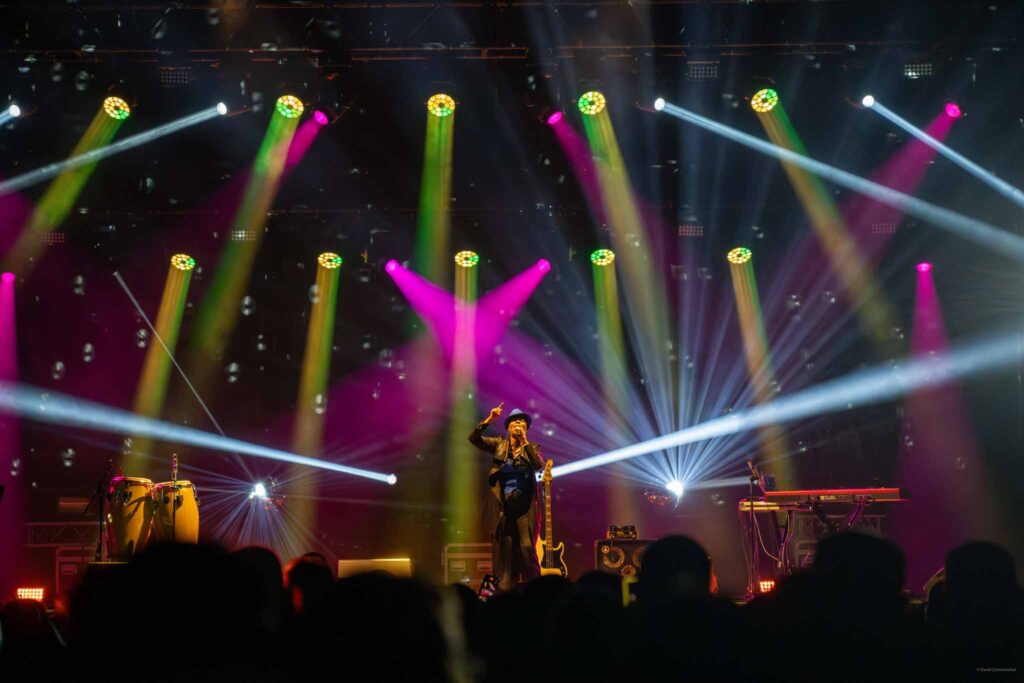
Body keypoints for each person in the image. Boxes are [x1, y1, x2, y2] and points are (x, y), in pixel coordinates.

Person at [469, 402, 544, 589]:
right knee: (503, 558)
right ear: (508, 428)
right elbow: (473, 439)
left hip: (525, 511)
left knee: (527, 550)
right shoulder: (499, 445)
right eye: (514, 422)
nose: (518, 424)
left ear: (526, 429)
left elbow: (538, 466)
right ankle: (497, 599)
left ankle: (540, 593)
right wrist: (489, 420)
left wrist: (525, 442)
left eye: (522, 423)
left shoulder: (532, 448)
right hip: (503, 511)